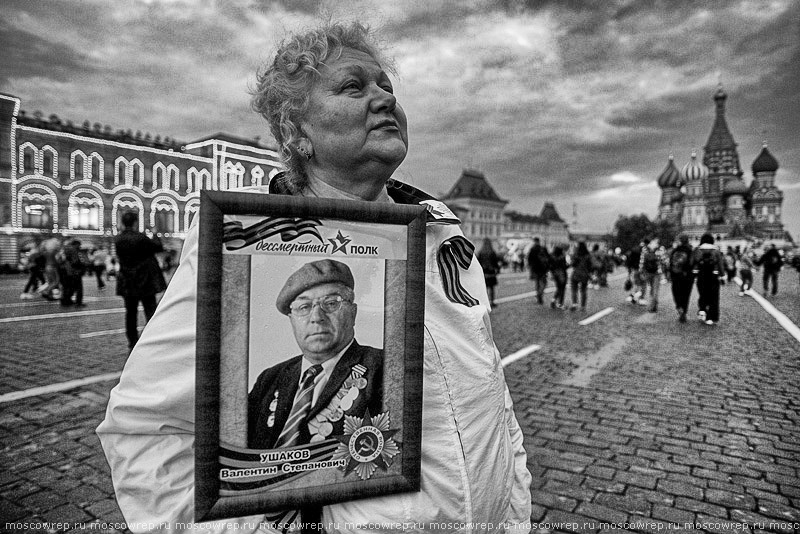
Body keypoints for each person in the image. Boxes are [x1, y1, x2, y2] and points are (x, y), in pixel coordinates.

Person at [97, 22, 531, 532]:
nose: (383, 99)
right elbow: (147, 432)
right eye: (353, 86)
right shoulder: (245, 247)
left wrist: (512, 507)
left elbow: (492, 395)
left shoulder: (443, 235)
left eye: (386, 87)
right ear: (296, 134)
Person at [249, 259, 383, 451]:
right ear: (292, 320)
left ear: (353, 313)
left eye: (330, 303)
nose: (316, 317)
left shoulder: (383, 368)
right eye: (304, 307)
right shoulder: (269, 379)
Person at [114, 211, 167, 351]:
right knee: (150, 310)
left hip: (127, 280)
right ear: (136, 222)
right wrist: (155, 233)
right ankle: (153, 337)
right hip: (144, 280)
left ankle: (132, 340)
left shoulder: (118, 239)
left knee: (130, 312)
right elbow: (158, 247)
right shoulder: (140, 238)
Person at [692, 233, 725, 325]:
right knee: (714, 297)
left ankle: (702, 309)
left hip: (701, 276)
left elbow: (693, 263)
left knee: (703, 294)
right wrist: (722, 276)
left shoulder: (697, 250)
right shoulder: (716, 250)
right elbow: (720, 264)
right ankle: (711, 317)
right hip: (713, 276)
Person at [668, 235, 694, 322]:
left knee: (676, 292)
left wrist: (670, 274)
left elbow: (670, 263)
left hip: (676, 275)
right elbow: (691, 263)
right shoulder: (690, 250)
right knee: (686, 295)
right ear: (687, 241)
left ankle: (679, 307)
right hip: (687, 276)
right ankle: (684, 311)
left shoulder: (675, 250)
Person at [639, 238, 665, 313]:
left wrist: (641, 271)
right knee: (655, 289)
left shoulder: (645, 249)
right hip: (657, 272)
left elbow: (642, 261)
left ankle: (653, 305)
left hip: (648, 272)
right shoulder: (660, 249)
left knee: (651, 288)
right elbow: (664, 260)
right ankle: (653, 305)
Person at [59, 239, 87, 307]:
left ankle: (66, 300)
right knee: (79, 287)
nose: (80, 246)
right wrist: (81, 267)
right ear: (76, 244)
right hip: (74, 271)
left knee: (67, 286)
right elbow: (76, 261)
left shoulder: (65, 249)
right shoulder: (74, 250)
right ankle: (78, 302)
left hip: (65, 270)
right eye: (79, 245)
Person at [476, 238, 501, 307]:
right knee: (491, 288)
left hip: (484, 272)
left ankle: (484, 302)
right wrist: (498, 270)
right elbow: (495, 262)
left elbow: (478, 262)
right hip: (491, 271)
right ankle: (492, 302)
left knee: (484, 288)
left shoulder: (481, 252)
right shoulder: (492, 252)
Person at [569, 241, 592, 311]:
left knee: (574, 289)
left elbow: (572, 264)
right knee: (583, 290)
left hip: (576, 274)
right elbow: (590, 266)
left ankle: (574, 304)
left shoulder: (576, 254)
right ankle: (583, 306)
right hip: (585, 274)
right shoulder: (588, 255)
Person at [527, 236, 550, 305]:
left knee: (537, 283)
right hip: (543, 269)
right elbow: (548, 258)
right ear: (539, 241)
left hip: (535, 269)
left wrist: (530, 267)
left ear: (534, 241)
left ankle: (538, 296)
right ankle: (540, 294)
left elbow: (529, 259)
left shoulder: (532, 249)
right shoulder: (543, 248)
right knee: (544, 283)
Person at [549, 245, 568, 309]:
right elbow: (564, 266)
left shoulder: (552, 256)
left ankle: (553, 300)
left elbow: (550, 266)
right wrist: (569, 265)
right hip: (562, 274)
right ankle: (560, 303)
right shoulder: (562, 257)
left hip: (555, 274)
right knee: (562, 289)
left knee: (558, 288)